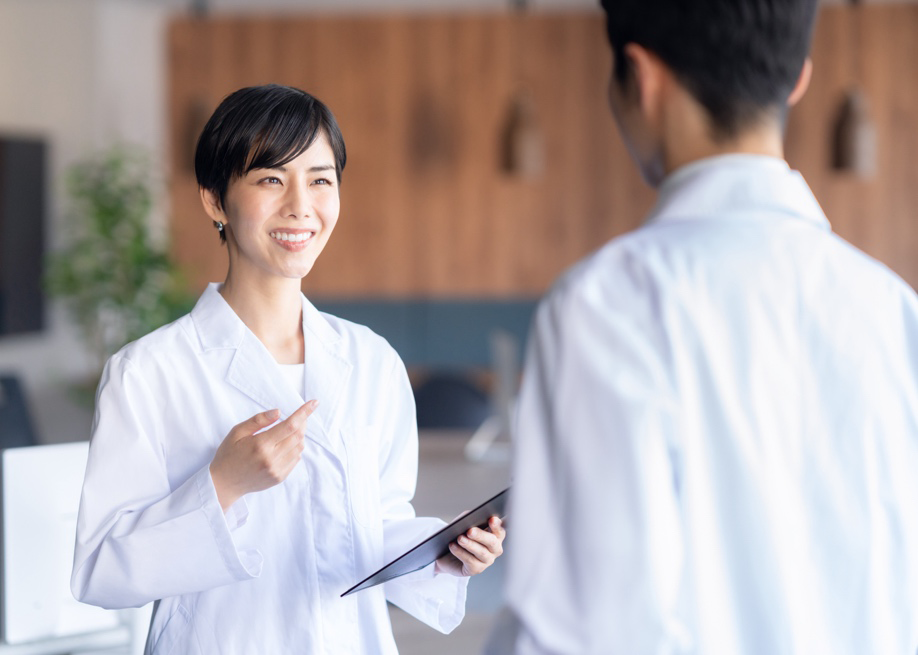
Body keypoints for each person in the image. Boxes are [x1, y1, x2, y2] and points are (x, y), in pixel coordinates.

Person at [486, 1, 918, 653]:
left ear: (641, 77)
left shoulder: (606, 305)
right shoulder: (894, 309)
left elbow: (579, 632)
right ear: (797, 78)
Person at [71, 84, 505, 655]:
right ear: (213, 200)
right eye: (271, 179)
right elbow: (100, 570)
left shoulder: (371, 361)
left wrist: (444, 552)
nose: (301, 205)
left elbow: (374, 525)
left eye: (321, 179)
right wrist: (222, 484)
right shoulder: (148, 373)